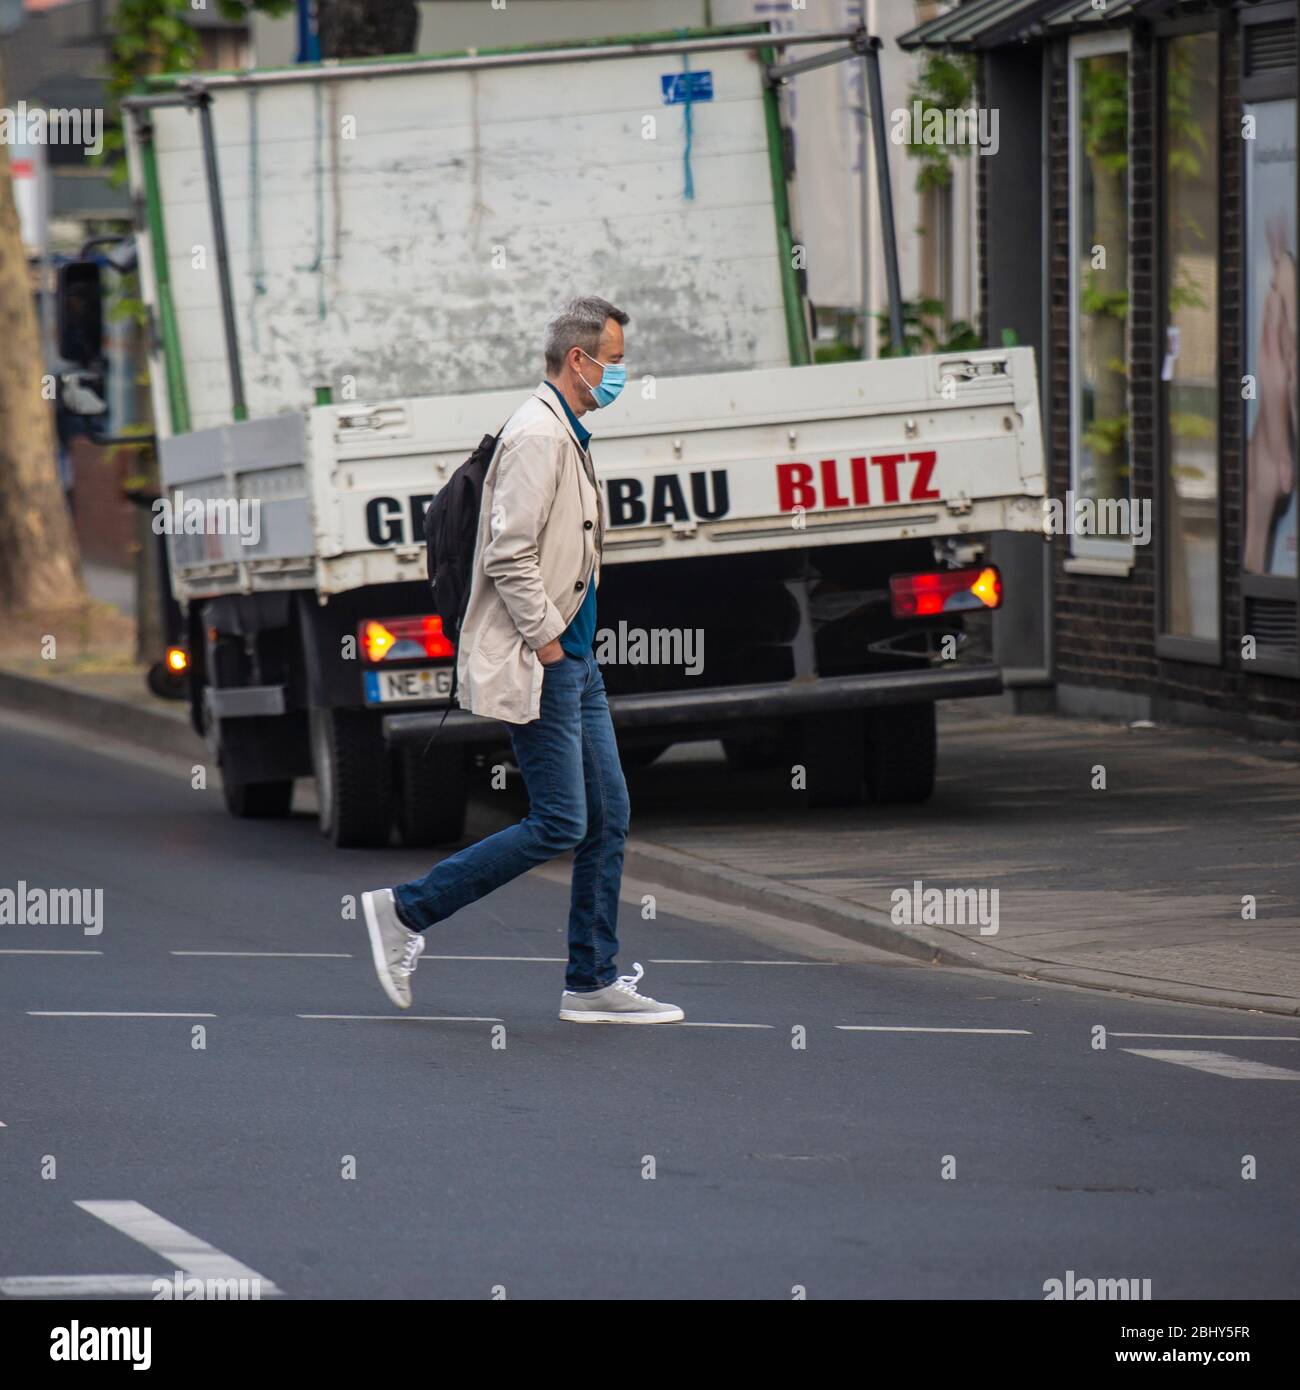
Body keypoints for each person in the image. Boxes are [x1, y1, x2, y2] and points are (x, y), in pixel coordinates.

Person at [361, 296, 683, 1024]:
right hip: (550, 658)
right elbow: (508, 552)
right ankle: (406, 912)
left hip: (575, 657)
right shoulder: (539, 434)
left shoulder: (564, 429)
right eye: (616, 360)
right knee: (560, 821)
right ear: (580, 360)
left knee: (608, 815)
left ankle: (592, 982)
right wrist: (546, 639)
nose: (620, 374)